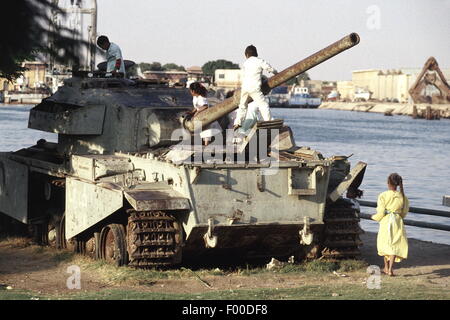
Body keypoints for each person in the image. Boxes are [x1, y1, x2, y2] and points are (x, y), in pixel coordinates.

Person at [371, 173, 409, 276]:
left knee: (385, 243)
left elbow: (380, 212)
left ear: (388, 183)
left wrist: (373, 217)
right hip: (397, 221)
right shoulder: (403, 196)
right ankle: (390, 269)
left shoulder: (383, 195)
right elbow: (404, 212)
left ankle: (387, 267)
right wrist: (398, 216)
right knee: (394, 244)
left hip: (386, 221)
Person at [233, 45, 278, 129]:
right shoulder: (259, 61)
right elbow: (269, 68)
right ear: (256, 54)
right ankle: (268, 121)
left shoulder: (245, 63)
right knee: (263, 105)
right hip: (254, 88)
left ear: (246, 55)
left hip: (245, 88)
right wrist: (276, 73)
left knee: (242, 106)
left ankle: (238, 122)